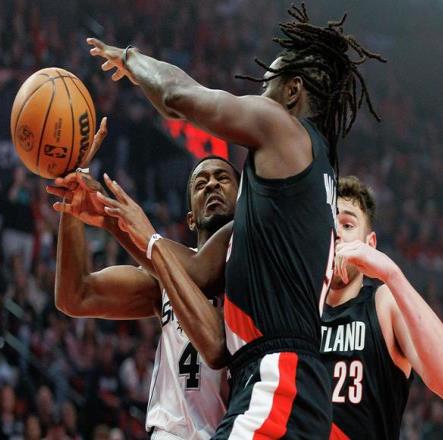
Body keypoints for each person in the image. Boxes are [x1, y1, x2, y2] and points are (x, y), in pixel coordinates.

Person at [86, 4, 386, 438]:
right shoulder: (306, 181)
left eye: (267, 85)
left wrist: (131, 59)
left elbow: (176, 97)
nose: (259, 97)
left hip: (277, 382)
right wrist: (113, 219)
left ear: (292, 91)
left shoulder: (282, 129)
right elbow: (193, 274)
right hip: (278, 384)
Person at [47, 137, 240, 438]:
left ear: (244, 201)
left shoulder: (253, 260)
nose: (212, 185)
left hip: (234, 429)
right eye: (200, 183)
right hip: (172, 432)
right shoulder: (162, 272)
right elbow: (76, 296)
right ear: (190, 219)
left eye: (222, 178)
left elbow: (199, 272)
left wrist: (117, 223)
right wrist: (73, 203)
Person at [323, 176, 443, 440]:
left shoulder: (383, 303)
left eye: (348, 224)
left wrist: (392, 274)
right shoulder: (295, 310)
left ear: (370, 244)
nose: (337, 233)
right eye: (328, 224)